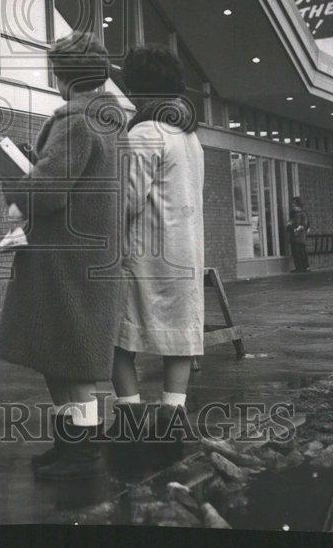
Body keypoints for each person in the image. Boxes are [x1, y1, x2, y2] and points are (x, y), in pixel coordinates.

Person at [0, 32, 125, 481]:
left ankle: (80, 451)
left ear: (62, 75)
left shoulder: (74, 122)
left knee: (66, 353)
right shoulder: (108, 121)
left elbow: (46, 193)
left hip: (62, 258)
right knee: (68, 352)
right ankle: (72, 443)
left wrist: (15, 177)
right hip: (90, 251)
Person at [108, 44, 205, 446]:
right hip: (184, 248)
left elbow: (128, 199)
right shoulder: (188, 135)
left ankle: (129, 415)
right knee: (180, 332)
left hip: (145, 251)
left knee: (117, 333)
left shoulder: (145, 132)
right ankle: (173, 413)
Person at [286, 196, 310, 273]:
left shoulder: (299, 213)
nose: (292, 204)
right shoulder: (298, 213)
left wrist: (295, 229)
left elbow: (304, 224)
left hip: (298, 235)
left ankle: (301, 267)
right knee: (300, 251)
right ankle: (303, 267)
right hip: (298, 235)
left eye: (294, 203)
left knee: (298, 252)